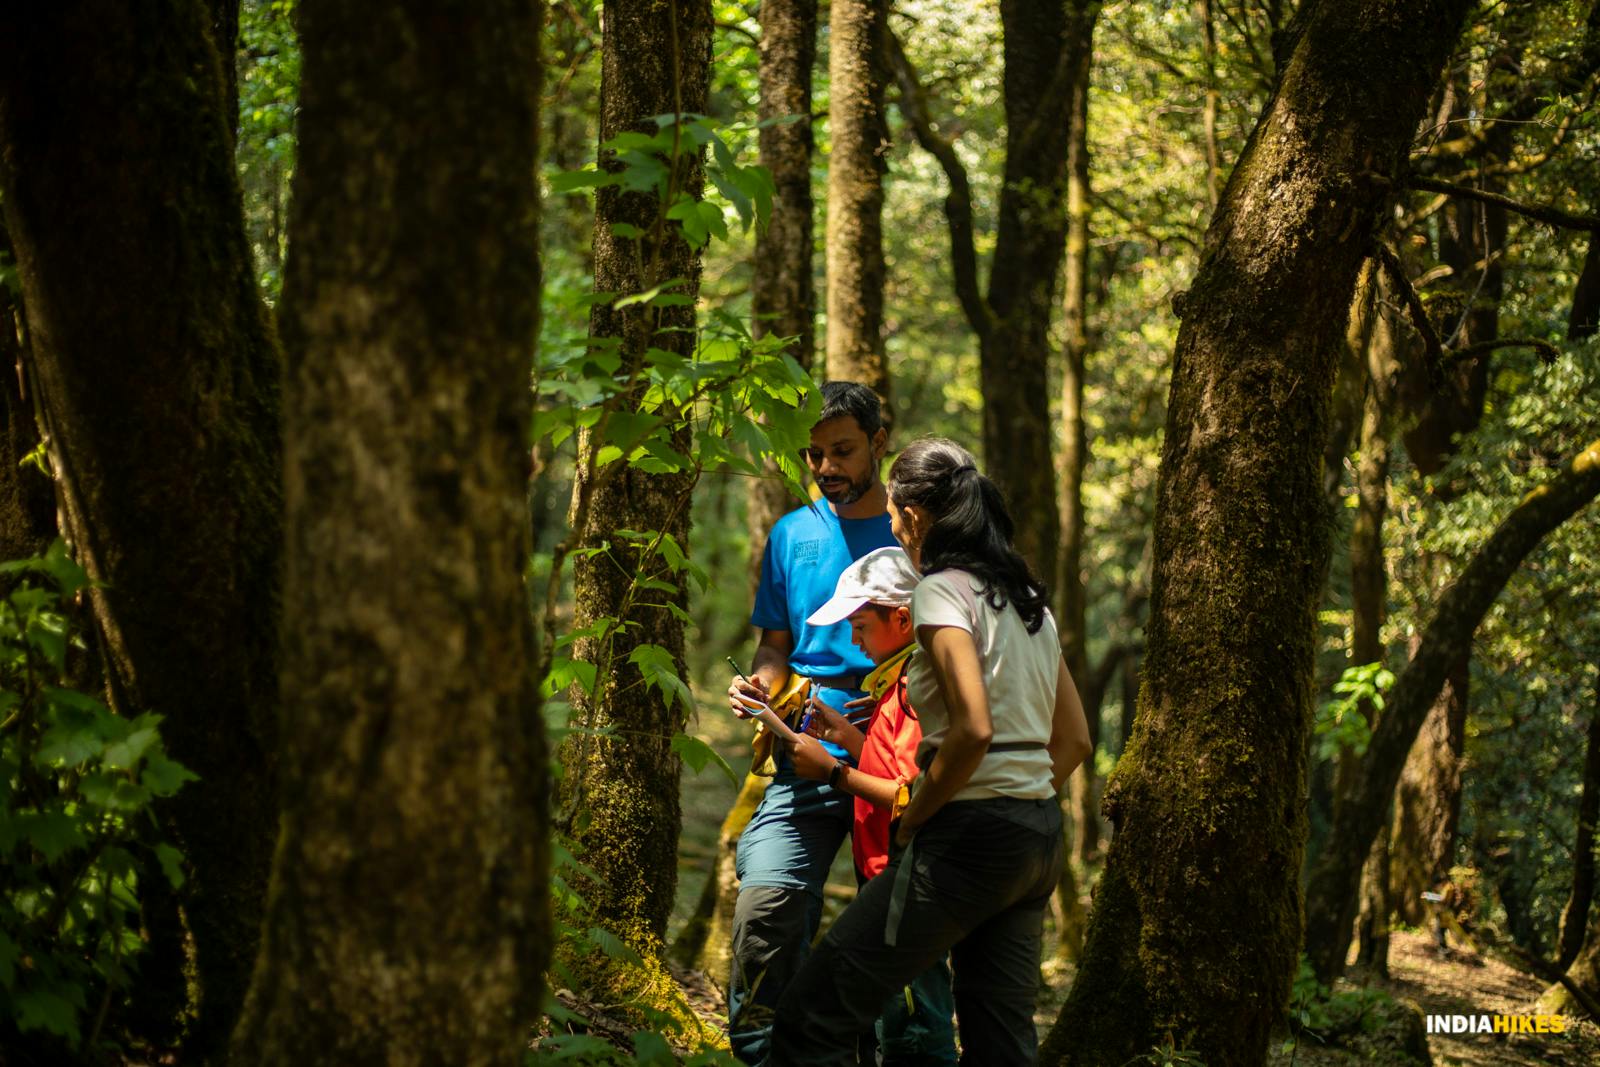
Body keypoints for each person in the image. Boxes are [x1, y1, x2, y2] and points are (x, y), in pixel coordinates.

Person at [767, 438, 1094, 1066]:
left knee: (811, 1014)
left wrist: (917, 813)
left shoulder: (941, 592)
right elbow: (1074, 740)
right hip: (1037, 837)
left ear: (913, 517)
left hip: (965, 840)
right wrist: (1016, 796)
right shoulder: (1029, 603)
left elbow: (972, 729)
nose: (891, 525)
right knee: (1001, 1044)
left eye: (892, 515)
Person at [725, 381, 898, 1065]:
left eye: (844, 450)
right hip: (801, 751)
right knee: (764, 908)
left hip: (895, 752)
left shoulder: (916, 529)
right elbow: (774, 642)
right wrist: (758, 690)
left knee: (893, 939)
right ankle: (765, 1053)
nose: (827, 466)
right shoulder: (792, 533)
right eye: (815, 453)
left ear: (879, 444)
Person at [787, 546, 957, 1067]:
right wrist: (848, 739)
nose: (853, 640)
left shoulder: (913, 685)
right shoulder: (891, 685)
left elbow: (911, 793)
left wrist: (832, 771)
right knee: (888, 1016)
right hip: (886, 874)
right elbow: (894, 770)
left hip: (905, 881)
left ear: (902, 619)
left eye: (860, 626)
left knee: (912, 1024)